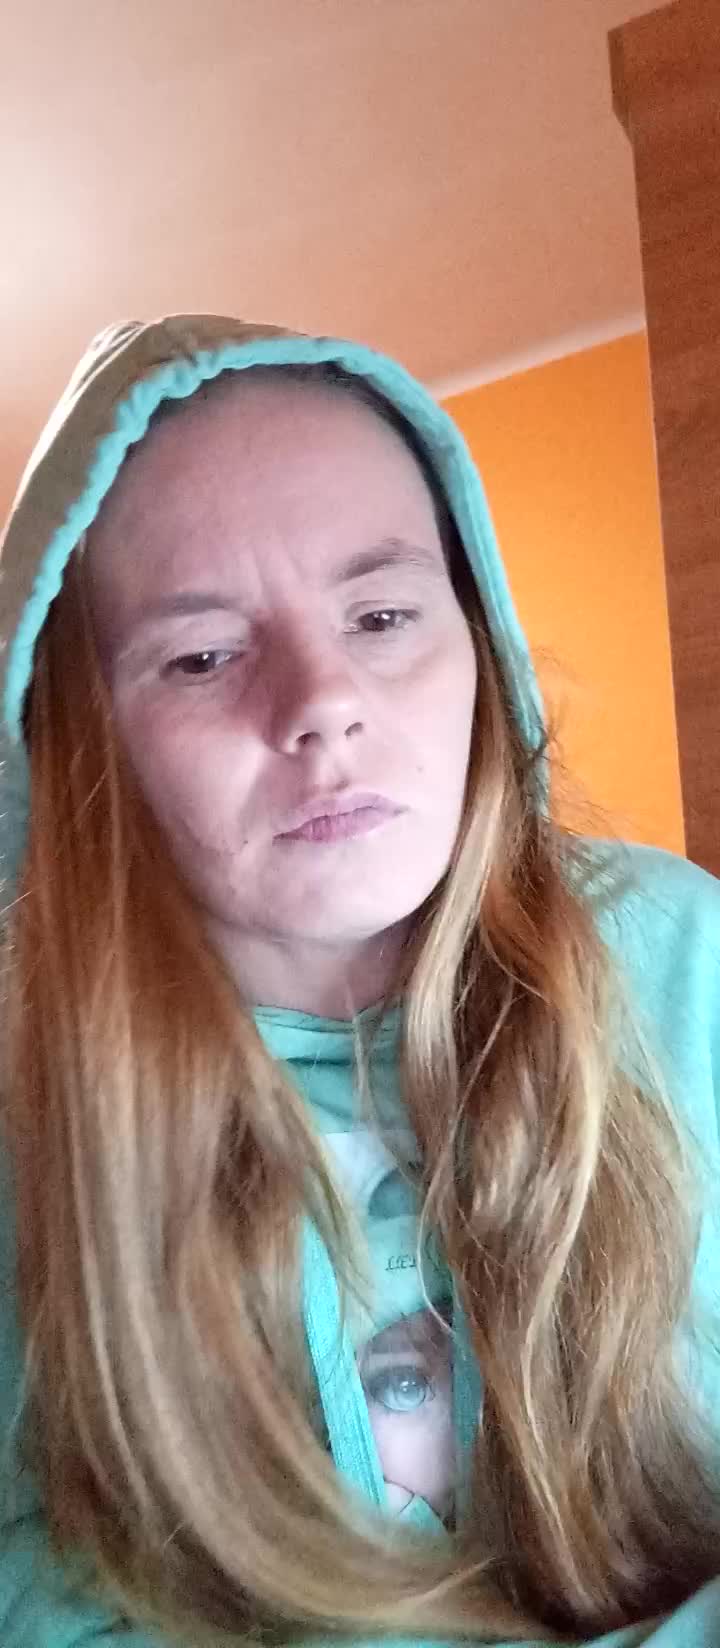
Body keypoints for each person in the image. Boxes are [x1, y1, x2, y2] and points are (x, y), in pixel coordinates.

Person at [0, 314, 719, 1648]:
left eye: (382, 615)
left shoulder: (681, 958)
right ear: (83, 744)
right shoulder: (25, 1104)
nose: (321, 701)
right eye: (202, 656)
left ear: (478, 642)